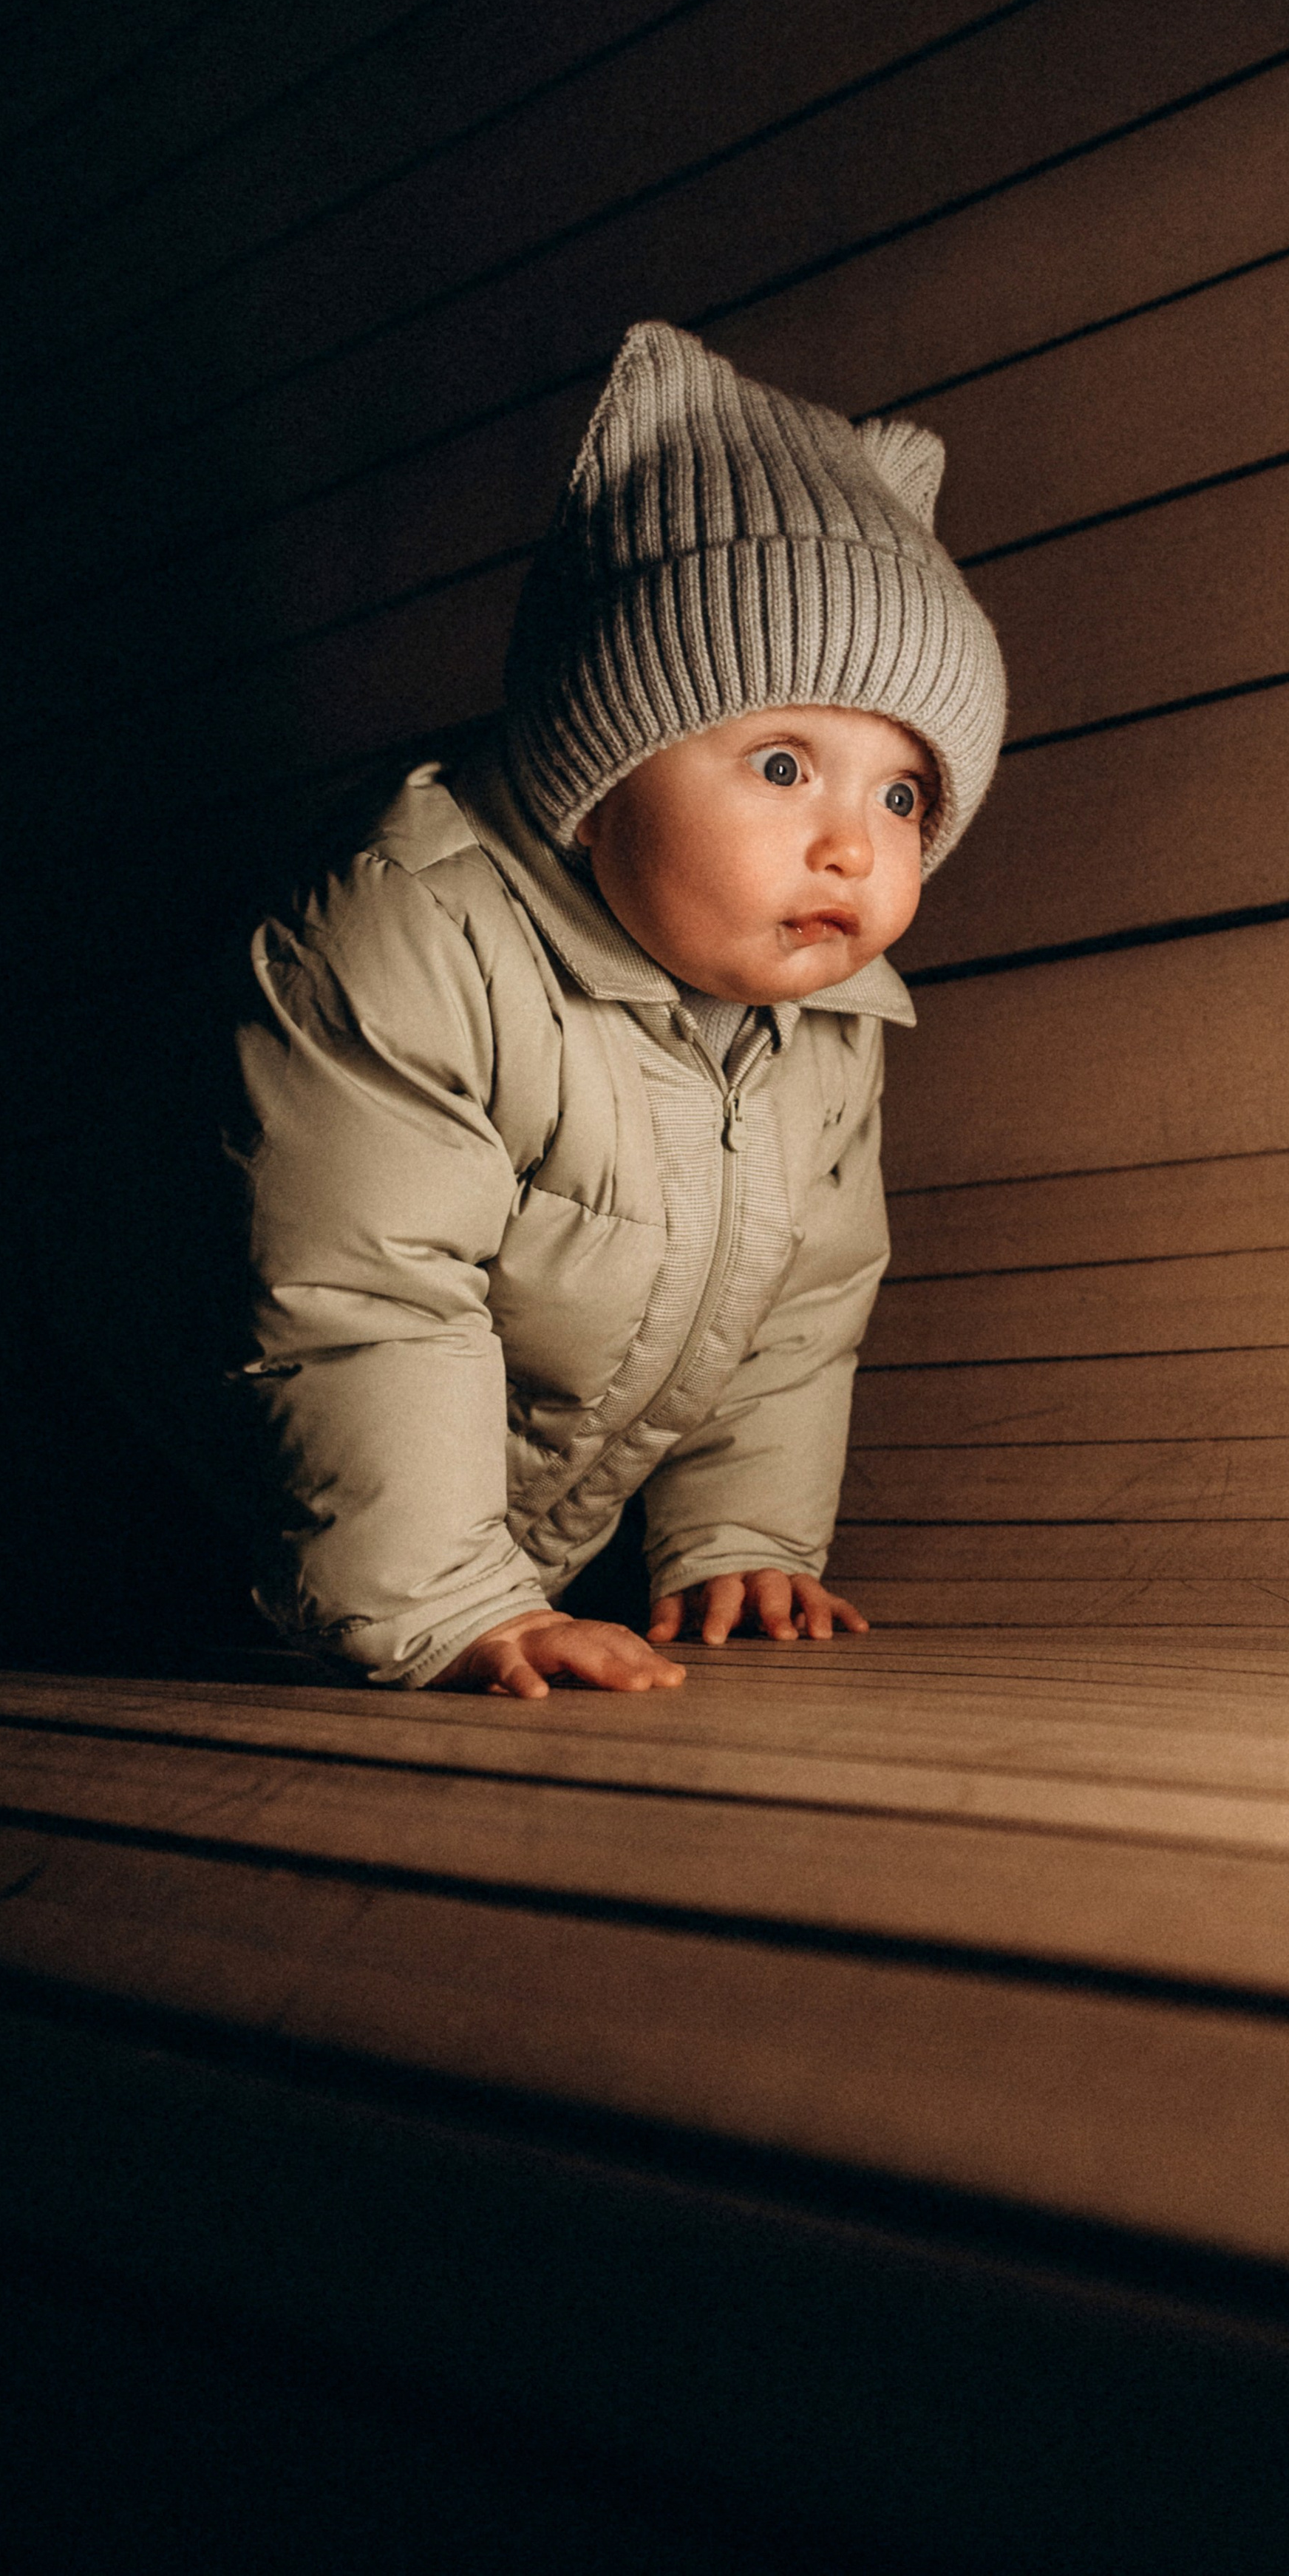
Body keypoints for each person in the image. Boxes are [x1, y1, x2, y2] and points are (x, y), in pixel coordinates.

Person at [233, 319, 1004, 1697]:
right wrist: (453, 1601)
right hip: (180, 1519)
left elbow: (803, 1302)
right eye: (783, 763)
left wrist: (740, 1538)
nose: (856, 846)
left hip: (459, 1554)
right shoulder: (411, 939)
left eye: (904, 795)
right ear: (595, 774)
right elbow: (364, 1296)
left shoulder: (826, 1027)